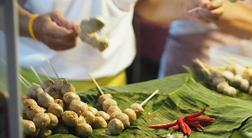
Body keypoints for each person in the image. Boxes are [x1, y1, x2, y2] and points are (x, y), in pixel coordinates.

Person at [17, 0, 221, 91]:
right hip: (29, 81)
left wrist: (186, 7)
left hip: (110, 85)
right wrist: (33, 26)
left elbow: (147, 6)